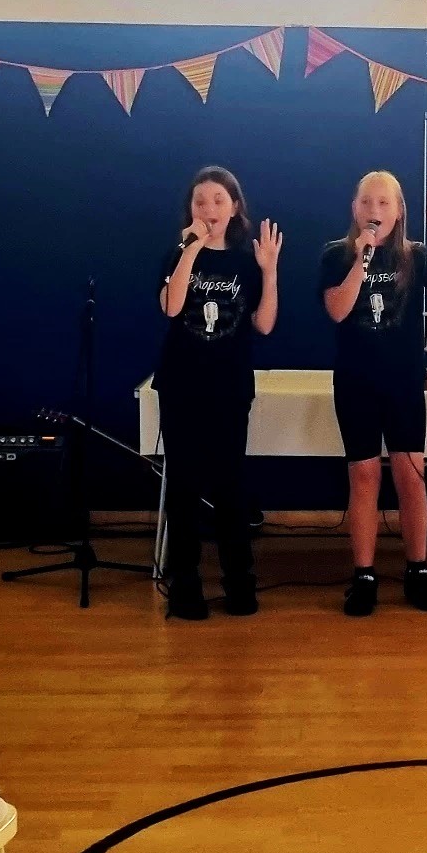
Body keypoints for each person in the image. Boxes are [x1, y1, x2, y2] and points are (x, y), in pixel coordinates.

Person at [320, 172, 427, 617]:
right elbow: (338, 309)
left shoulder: (415, 257)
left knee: (411, 476)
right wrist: (360, 262)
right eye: (367, 202)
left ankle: (417, 569)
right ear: (355, 208)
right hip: (356, 383)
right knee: (364, 477)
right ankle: (363, 575)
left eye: (384, 203)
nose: (375, 212)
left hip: (402, 384)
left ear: (398, 211)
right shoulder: (337, 255)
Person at [155, 166, 281, 620]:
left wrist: (269, 272)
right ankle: (185, 583)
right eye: (200, 201)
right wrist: (189, 249)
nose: (209, 209)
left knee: (231, 487)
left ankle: (239, 583)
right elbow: (171, 307)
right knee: (185, 485)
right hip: (181, 385)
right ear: (190, 209)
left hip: (229, 388)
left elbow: (264, 324)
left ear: (234, 208)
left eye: (218, 201)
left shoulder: (247, 260)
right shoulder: (177, 252)